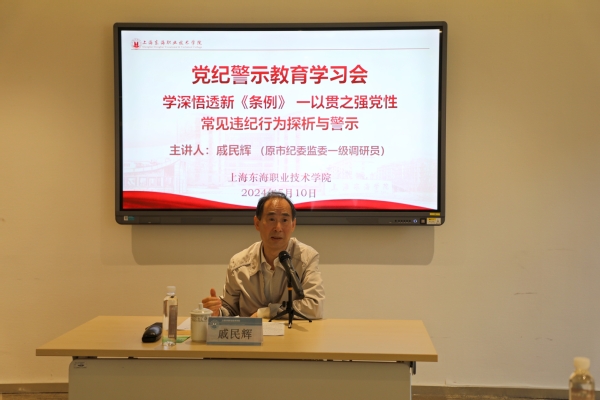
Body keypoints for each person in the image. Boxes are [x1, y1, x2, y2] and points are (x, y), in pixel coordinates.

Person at [202, 191, 325, 319]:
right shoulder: (238, 264)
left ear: (293, 225)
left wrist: (267, 313)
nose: (278, 228)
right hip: (251, 332)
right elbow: (230, 309)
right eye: (271, 219)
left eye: (284, 220)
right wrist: (217, 312)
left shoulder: (307, 258)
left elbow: (314, 306)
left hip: (291, 331)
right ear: (257, 223)